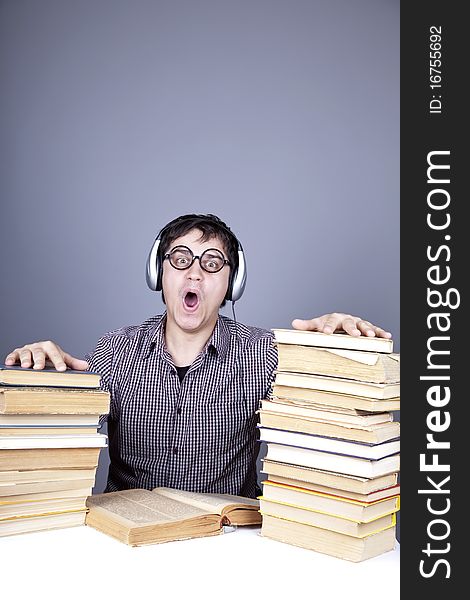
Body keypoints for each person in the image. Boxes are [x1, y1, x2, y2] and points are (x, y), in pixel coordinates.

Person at [4, 213, 392, 498]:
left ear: (230, 285)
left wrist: (337, 346)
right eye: (180, 259)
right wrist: (44, 377)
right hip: (126, 541)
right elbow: (61, 429)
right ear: (159, 275)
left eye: (211, 264)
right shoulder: (114, 349)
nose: (194, 274)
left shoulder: (266, 353)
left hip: (229, 540)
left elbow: (329, 413)